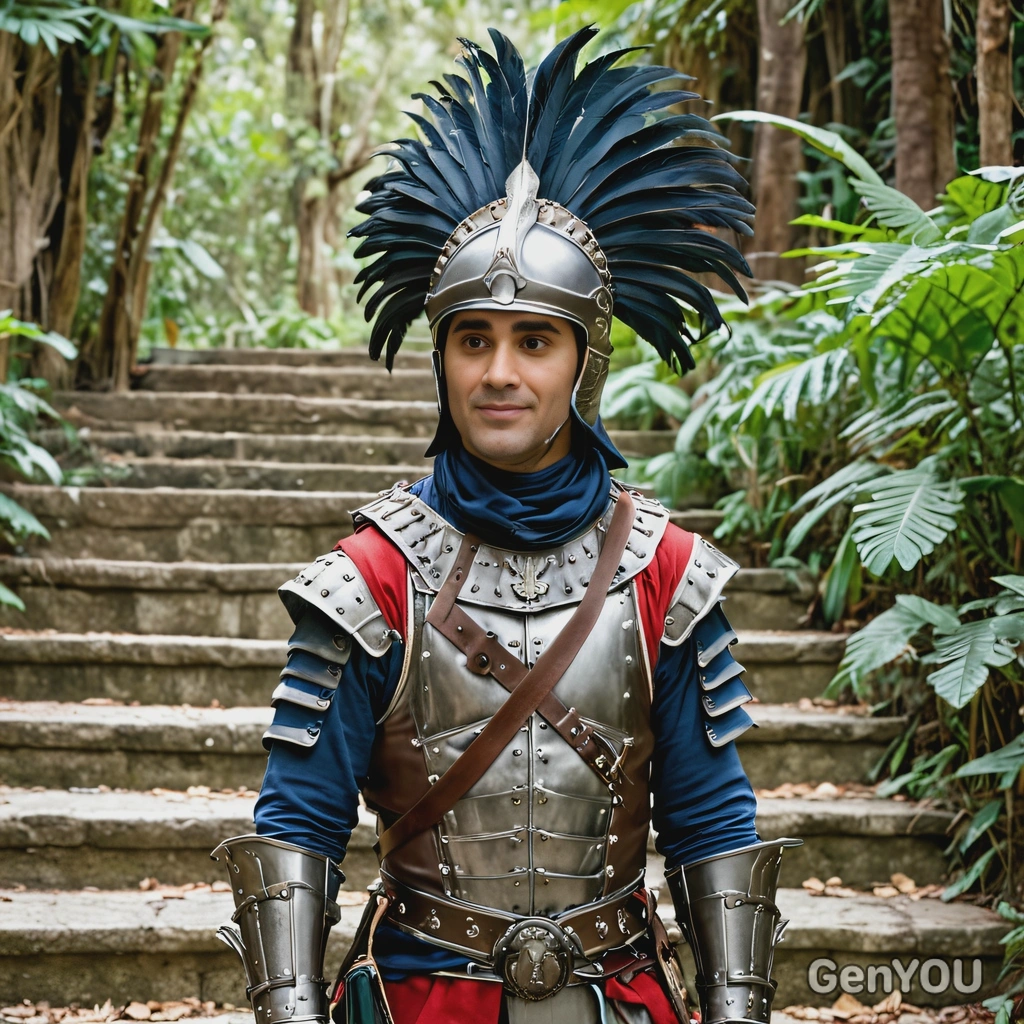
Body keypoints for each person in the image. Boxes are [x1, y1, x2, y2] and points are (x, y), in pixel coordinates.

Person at [212, 26, 802, 1024]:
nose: (498, 372)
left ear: (585, 363)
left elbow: (709, 817)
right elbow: (297, 825)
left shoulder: (663, 570)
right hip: (419, 994)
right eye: (472, 339)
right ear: (440, 356)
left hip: (619, 995)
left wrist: (737, 1010)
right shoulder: (368, 577)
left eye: (534, 340)